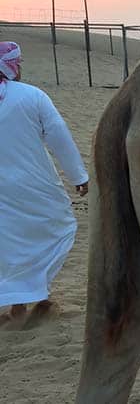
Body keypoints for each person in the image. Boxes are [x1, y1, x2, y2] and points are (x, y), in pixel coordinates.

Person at [0, 41, 89, 329]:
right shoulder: (33, 96)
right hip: (34, 184)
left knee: (9, 242)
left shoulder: (29, 96)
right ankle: (32, 298)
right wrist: (78, 177)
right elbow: (58, 136)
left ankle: (22, 301)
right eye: (18, 62)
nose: (21, 68)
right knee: (56, 228)